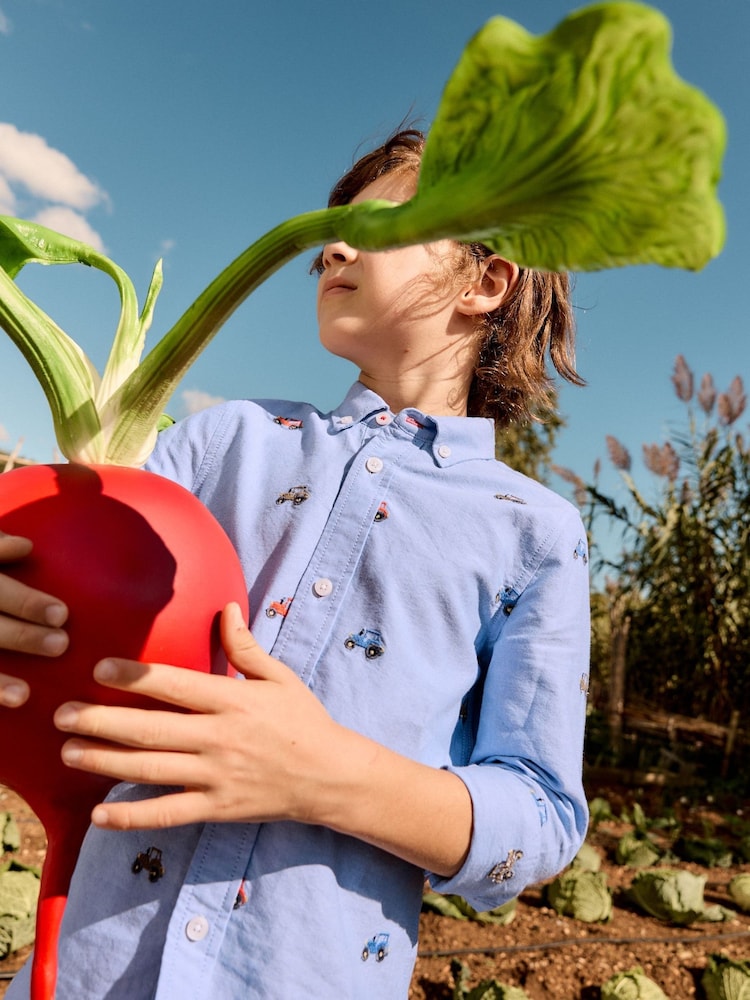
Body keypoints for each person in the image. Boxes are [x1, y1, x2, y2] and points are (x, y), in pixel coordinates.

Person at [0, 129, 590, 999]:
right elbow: (76, 570)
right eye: (329, 231)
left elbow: (538, 812)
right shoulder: (218, 443)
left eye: (383, 224)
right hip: (90, 967)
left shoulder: (534, 530)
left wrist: (327, 775)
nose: (333, 246)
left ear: (485, 280)